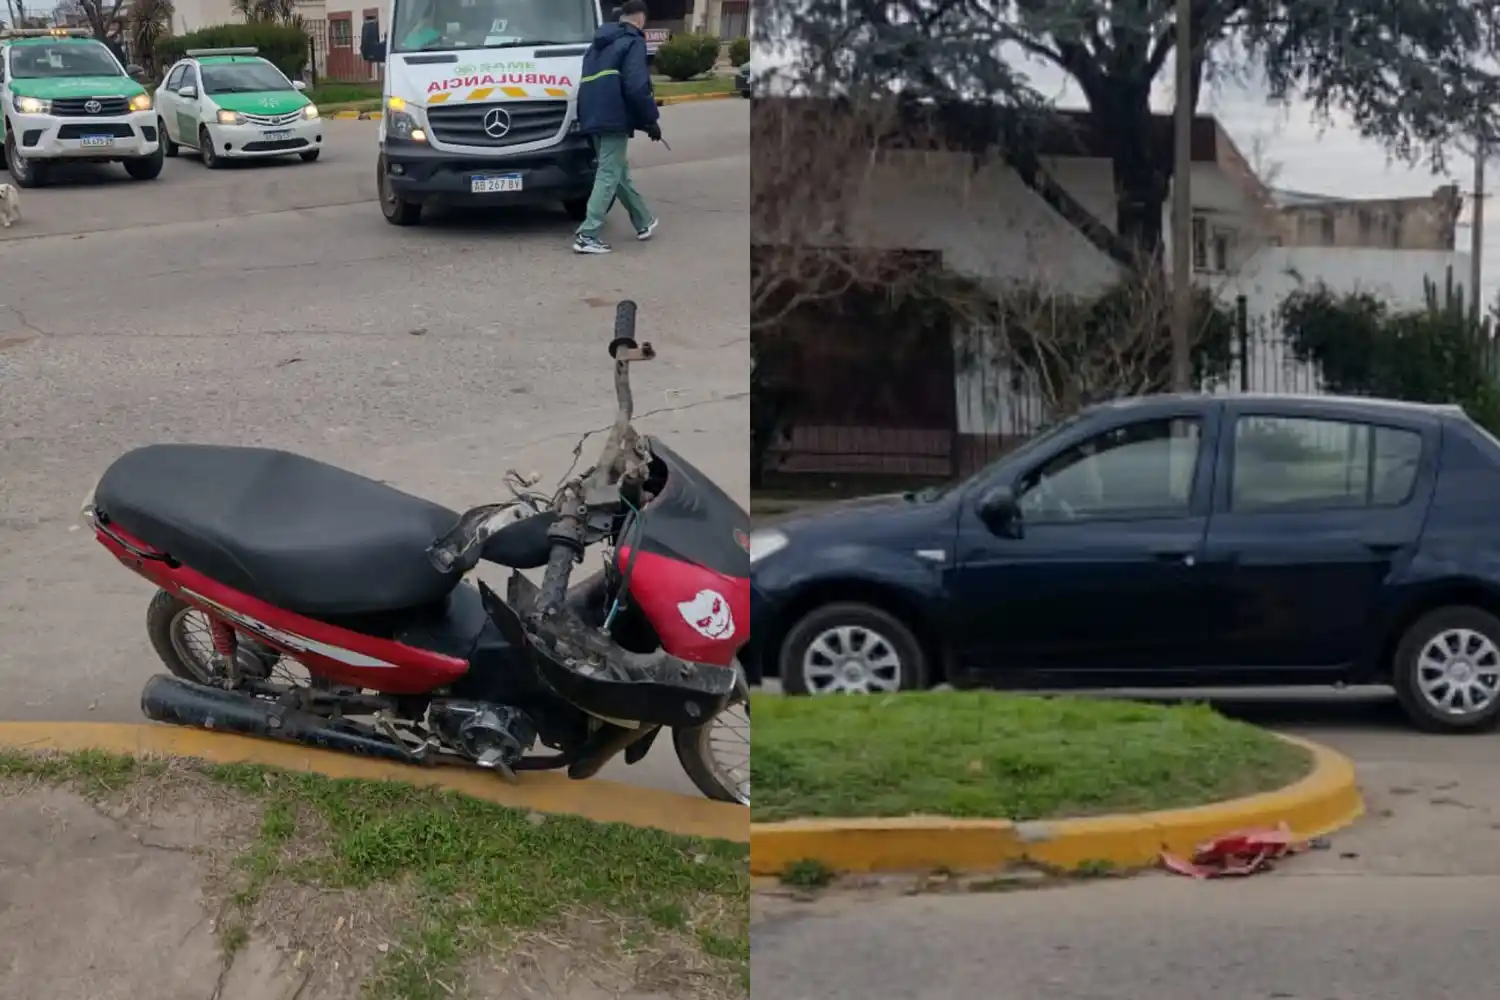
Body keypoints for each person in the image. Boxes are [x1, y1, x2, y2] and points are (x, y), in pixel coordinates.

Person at [572, 0, 660, 254]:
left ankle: (643, 220)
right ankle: (588, 234)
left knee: (616, 170)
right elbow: (636, 86)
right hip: (613, 117)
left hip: (592, 115)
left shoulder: (597, 44)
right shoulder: (633, 41)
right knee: (609, 173)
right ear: (641, 19)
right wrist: (650, 119)